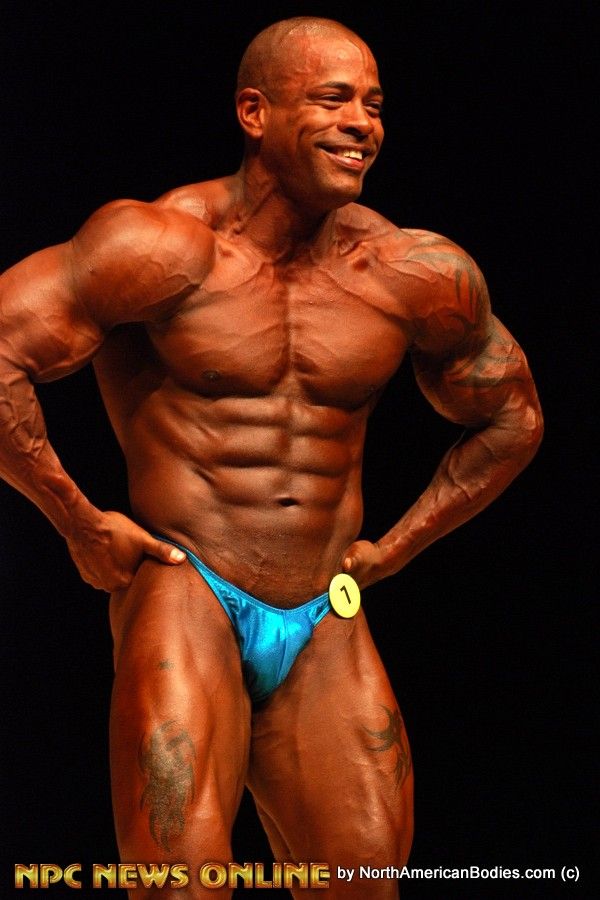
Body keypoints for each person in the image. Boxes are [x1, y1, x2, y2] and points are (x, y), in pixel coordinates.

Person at [0, 16, 542, 899]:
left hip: (326, 608)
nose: (362, 123)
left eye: (374, 105)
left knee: (363, 883)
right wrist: (79, 523)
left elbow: (513, 419)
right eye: (334, 99)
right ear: (255, 112)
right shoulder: (162, 247)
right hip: (188, 587)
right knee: (180, 883)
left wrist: (396, 548)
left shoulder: (409, 271)